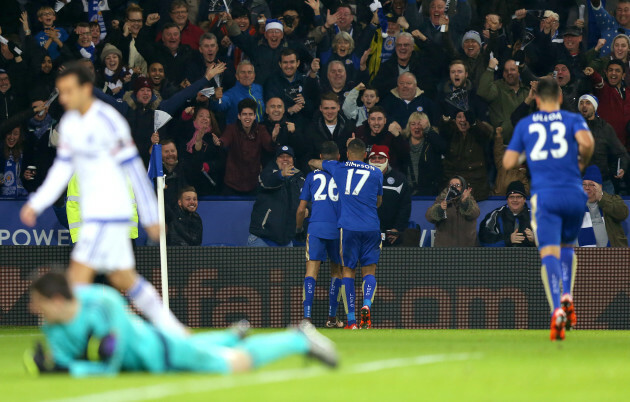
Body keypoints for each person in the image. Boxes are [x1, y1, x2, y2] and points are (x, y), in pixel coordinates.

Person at [19, 62, 187, 336]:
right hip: (94, 216)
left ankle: (73, 344)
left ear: (87, 90)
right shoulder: (71, 123)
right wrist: (37, 203)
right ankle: (169, 329)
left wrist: (150, 217)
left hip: (111, 215)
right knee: (122, 279)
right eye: (60, 92)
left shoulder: (110, 122)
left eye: (68, 91)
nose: (63, 98)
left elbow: (134, 168)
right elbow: (63, 168)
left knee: (79, 281)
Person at [24, 272, 338, 377]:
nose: (32, 308)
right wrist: (62, 368)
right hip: (147, 361)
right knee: (205, 347)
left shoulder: (103, 300)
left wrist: (71, 370)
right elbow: (69, 364)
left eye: (36, 301)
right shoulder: (50, 328)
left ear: (56, 300)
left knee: (235, 365)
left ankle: (298, 338)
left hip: (160, 351)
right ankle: (230, 335)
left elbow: (109, 365)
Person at [503, 77, 595, 341]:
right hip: (574, 195)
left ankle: (557, 308)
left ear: (537, 99)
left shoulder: (527, 124)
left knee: (549, 253)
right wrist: (581, 162)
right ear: (561, 98)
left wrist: (526, 154)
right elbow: (587, 144)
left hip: (546, 196)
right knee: (568, 246)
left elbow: (508, 161)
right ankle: (569, 292)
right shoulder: (572, 119)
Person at [309, 139, 383, 330]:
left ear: (348, 154)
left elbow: (315, 163)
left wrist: (320, 163)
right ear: (365, 155)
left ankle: (351, 321)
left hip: (348, 228)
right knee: (369, 270)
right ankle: (366, 304)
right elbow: (378, 201)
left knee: (347, 271)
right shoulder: (376, 172)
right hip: (371, 226)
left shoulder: (338, 168)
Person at [296, 141, 344, 328]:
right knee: (337, 271)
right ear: (339, 156)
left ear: (321, 157)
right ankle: (332, 318)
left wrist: (299, 229)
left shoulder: (311, 176)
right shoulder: (343, 173)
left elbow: (301, 209)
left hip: (316, 227)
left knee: (311, 272)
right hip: (338, 228)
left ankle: (307, 318)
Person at [213, 98, 277, 195]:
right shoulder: (231, 128)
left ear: (255, 116)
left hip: (253, 183)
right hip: (232, 184)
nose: (247, 117)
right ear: (239, 116)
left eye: (250, 114)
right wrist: (219, 142)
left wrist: (274, 139)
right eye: (244, 114)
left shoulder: (261, 129)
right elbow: (225, 139)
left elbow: (269, 146)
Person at [248, 145, 305, 247]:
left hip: (287, 241)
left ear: (293, 160)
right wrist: (281, 175)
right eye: (281, 156)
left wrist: (308, 208)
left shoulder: (299, 178)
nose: (285, 159)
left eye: (288, 156)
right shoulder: (267, 172)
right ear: (276, 159)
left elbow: (306, 200)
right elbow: (265, 182)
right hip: (262, 239)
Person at [578, 94, 628, 194]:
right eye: (581, 103)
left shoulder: (605, 128)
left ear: (595, 107)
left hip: (602, 183)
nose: (584, 106)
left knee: (610, 208)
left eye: (588, 103)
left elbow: (621, 153)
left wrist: (622, 166)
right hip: (578, 182)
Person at [477, 59, 529, 143]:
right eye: (506, 71)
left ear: (519, 72)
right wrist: (490, 69)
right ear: (503, 74)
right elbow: (483, 92)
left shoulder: (527, 91)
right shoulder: (497, 87)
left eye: (512, 70)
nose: (509, 73)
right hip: (503, 143)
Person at [368, 145, 411, 247]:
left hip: (391, 234)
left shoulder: (399, 179)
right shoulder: (361, 177)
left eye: (380, 158)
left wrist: (397, 229)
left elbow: (405, 206)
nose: (377, 161)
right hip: (366, 231)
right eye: (373, 158)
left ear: (387, 159)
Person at [579, 166, 629, 247]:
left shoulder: (613, 200)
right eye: (584, 184)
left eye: (591, 184)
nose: (587, 188)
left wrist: (601, 198)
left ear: (600, 187)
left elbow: (622, 214)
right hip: (581, 256)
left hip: (609, 256)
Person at [425, 176, 480, 247]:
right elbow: (429, 217)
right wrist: (439, 209)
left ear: (463, 188)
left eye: (457, 185)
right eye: (451, 185)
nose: (454, 188)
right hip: (445, 249)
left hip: (467, 247)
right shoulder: (442, 199)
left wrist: (464, 203)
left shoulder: (469, 200)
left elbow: (475, 214)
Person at [479, 181, 536, 247]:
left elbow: (548, 239)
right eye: (511, 197)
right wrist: (508, 240)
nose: (515, 200)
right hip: (502, 256)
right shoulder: (496, 214)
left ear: (524, 199)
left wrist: (536, 239)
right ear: (507, 199)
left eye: (518, 197)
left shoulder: (535, 216)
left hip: (529, 256)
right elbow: (484, 239)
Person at [405, 112, 446, 196]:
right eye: (413, 124)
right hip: (407, 192)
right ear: (409, 126)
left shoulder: (432, 142)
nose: (416, 127)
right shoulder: (403, 143)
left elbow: (443, 148)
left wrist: (428, 130)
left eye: (420, 124)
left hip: (429, 193)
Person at [210, 60, 264, 125]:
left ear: (254, 75)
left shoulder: (260, 89)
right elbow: (219, 106)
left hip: (260, 131)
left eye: (249, 72)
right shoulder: (230, 95)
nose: (246, 75)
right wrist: (216, 98)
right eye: (243, 72)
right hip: (238, 133)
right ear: (237, 76)